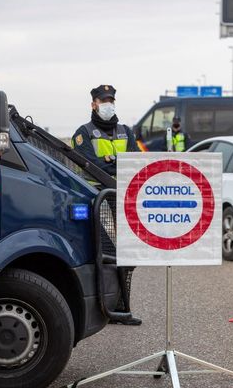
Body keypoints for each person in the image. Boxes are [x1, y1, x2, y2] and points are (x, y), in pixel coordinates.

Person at [71, 84, 142, 326]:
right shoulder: (83, 133)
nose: (107, 104)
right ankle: (103, 306)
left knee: (128, 254)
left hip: (122, 198)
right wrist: (114, 163)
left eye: (110, 100)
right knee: (105, 252)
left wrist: (112, 161)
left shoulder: (126, 131)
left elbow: (134, 161)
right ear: (93, 104)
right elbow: (90, 165)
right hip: (97, 198)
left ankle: (122, 306)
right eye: (103, 101)